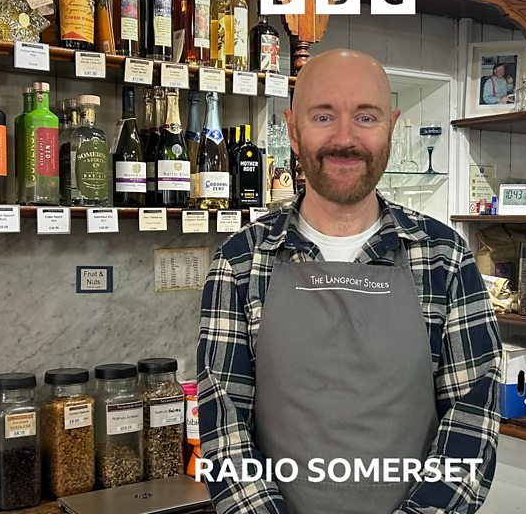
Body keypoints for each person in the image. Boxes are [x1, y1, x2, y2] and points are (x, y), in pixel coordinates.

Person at [197, 49, 501, 514]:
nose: (344, 138)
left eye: (366, 116)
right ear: (293, 130)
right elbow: (225, 433)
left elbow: (472, 425)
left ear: (390, 127)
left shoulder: (445, 259)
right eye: (323, 116)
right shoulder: (239, 263)